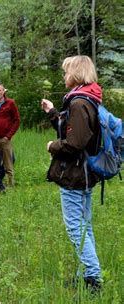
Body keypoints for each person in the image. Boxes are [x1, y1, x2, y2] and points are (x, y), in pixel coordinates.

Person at [41, 55, 103, 292]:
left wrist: (51, 146)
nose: (65, 76)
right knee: (84, 225)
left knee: (76, 227)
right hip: (84, 173)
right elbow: (72, 130)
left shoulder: (78, 103)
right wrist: (53, 113)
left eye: (67, 72)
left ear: (76, 74)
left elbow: (74, 143)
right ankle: (86, 274)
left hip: (75, 174)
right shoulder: (88, 99)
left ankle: (93, 278)